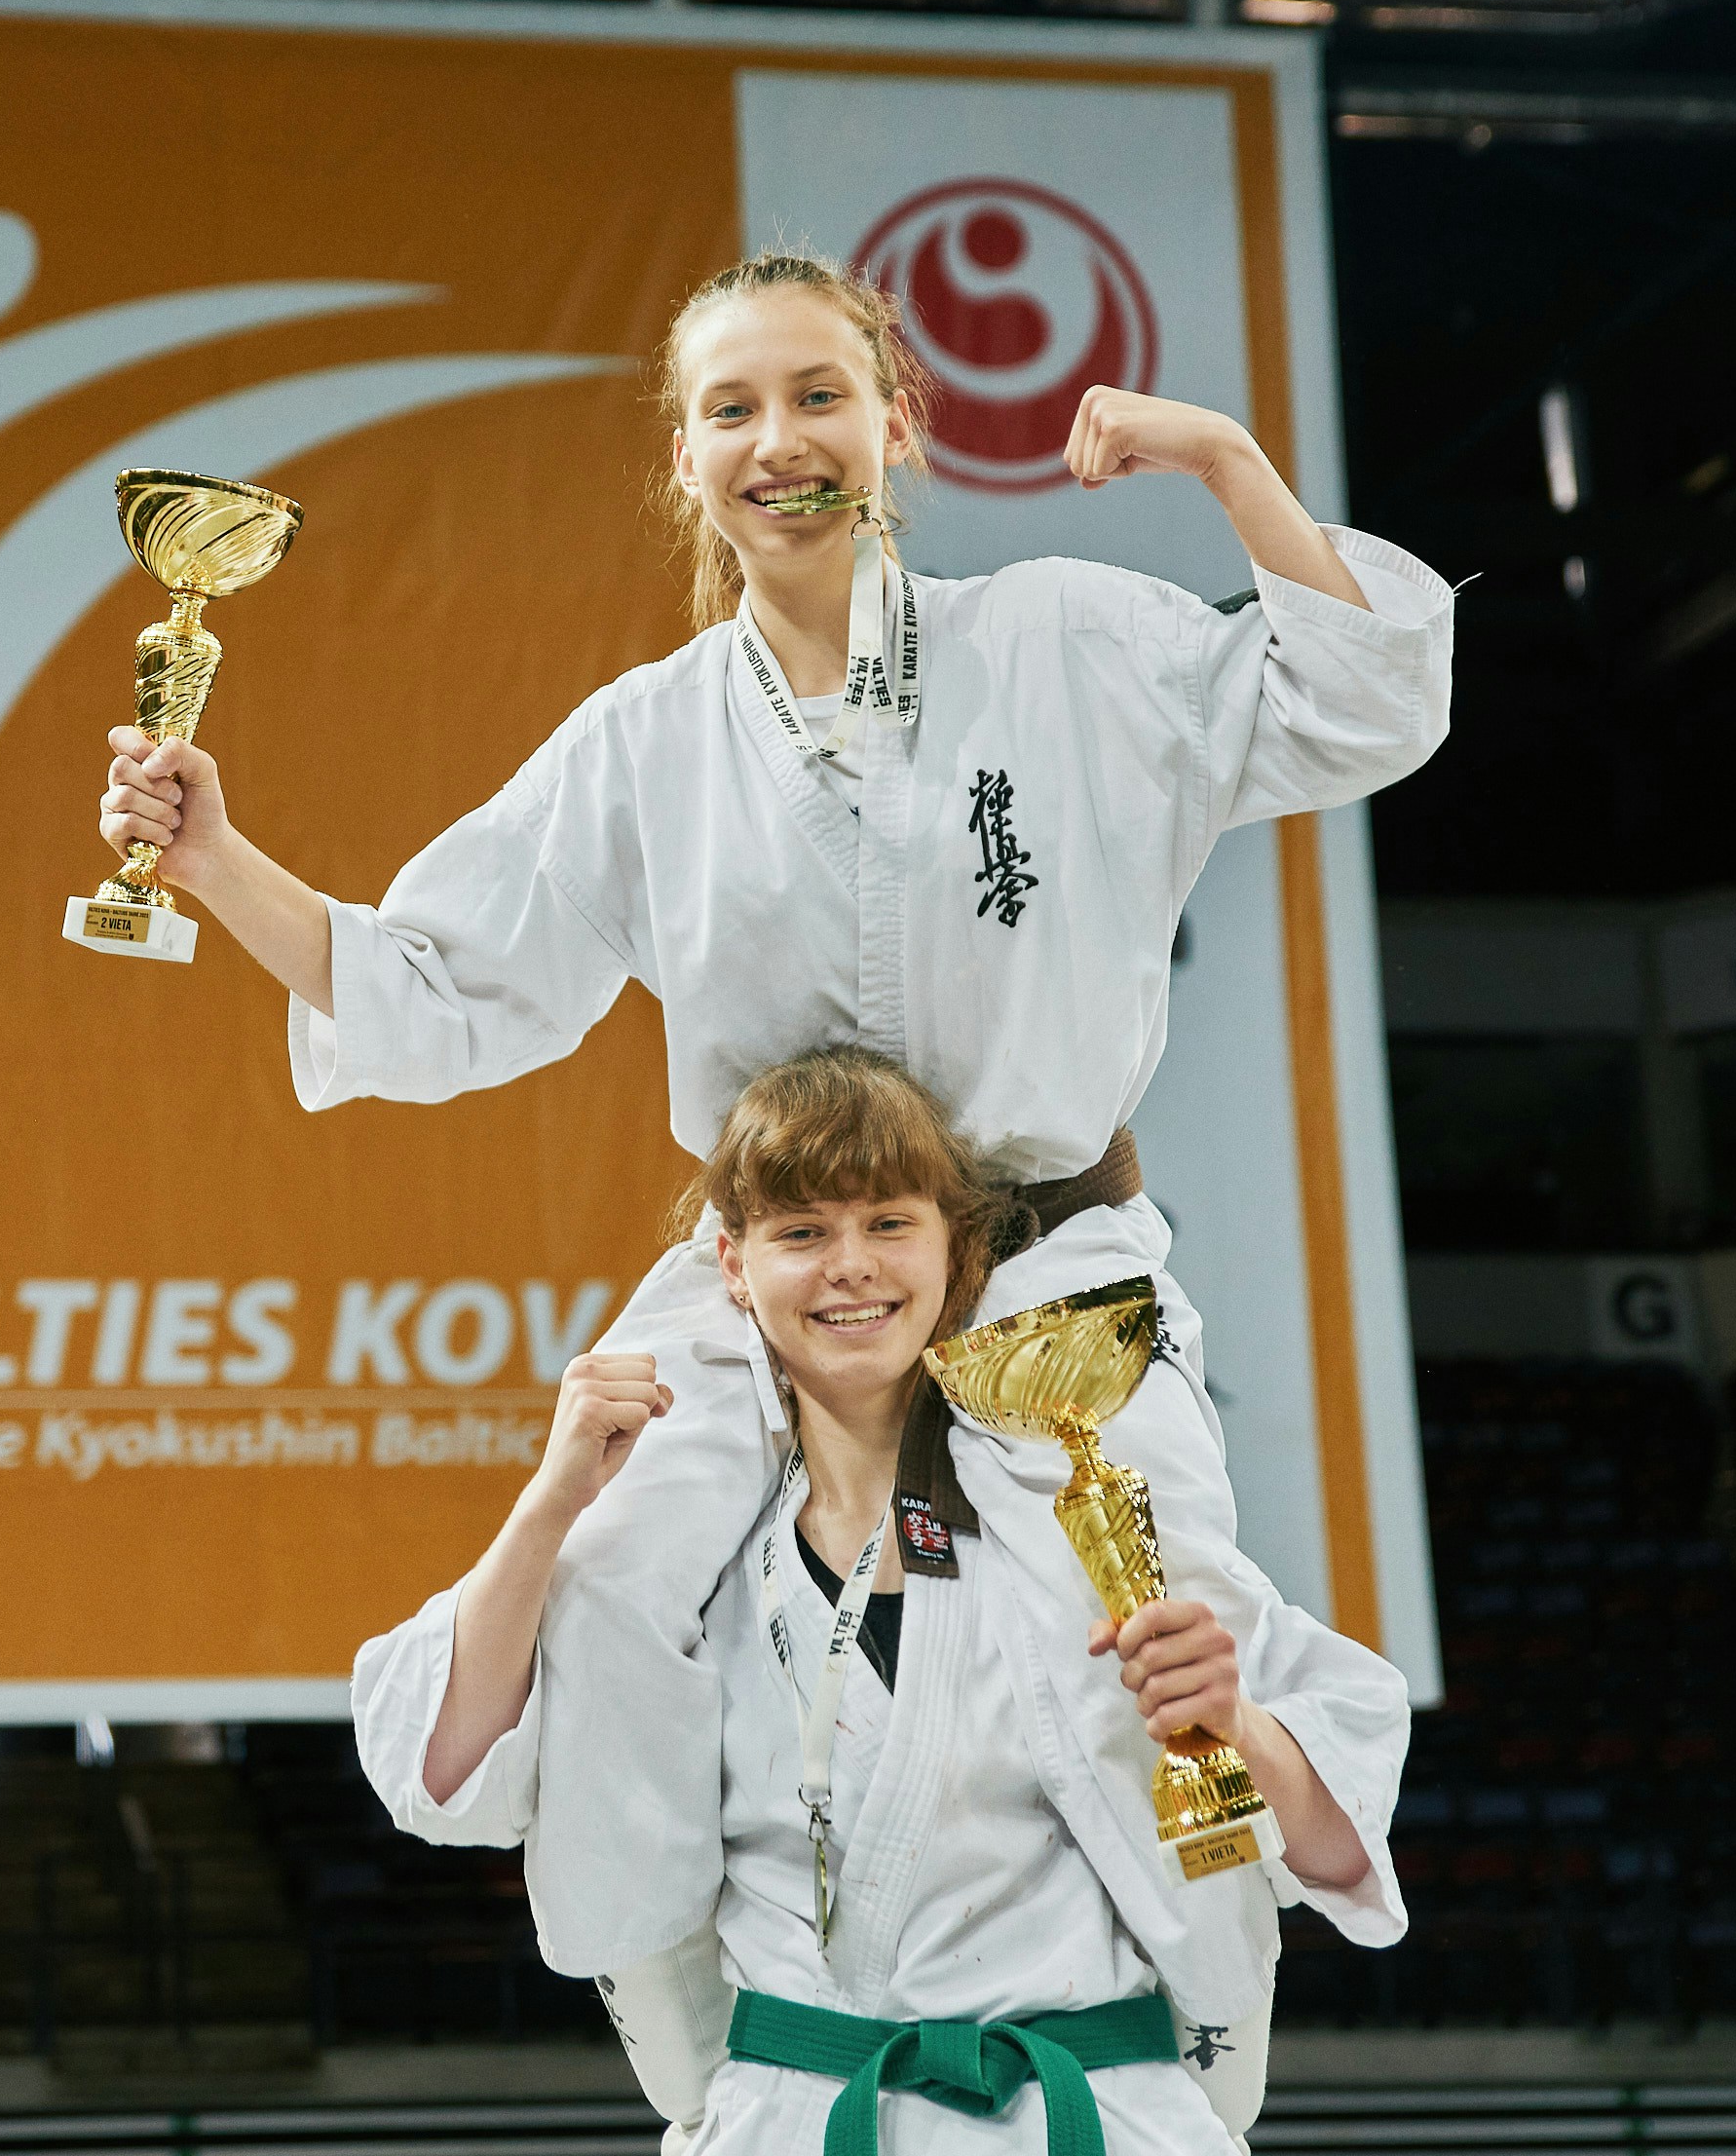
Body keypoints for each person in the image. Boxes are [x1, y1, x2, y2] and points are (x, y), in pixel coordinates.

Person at [91, 249, 1453, 1996]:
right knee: (610, 1566)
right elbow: (435, 983)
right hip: (770, 1278)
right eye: (732, 409)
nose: (780, 441)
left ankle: (1186, 2032)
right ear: (683, 458)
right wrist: (209, 861)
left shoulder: (1064, 644)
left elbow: (1360, 703)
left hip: (1047, 1269)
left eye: (820, 395)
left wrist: (1220, 460)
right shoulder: (644, 743)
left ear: (899, 421)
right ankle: (681, 2015)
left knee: (1165, 1610)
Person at [352, 1047, 1411, 2154]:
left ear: (955, 1251)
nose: (848, 1267)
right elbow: (441, 1773)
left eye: (888, 1223)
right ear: (731, 1264)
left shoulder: (1081, 1538)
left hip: (1088, 2109)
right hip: (800, 2116)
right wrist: (549, 1501)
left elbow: (1340, 1850)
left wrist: (1231, 1723)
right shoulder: (676, 1566)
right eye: (800, 1232)